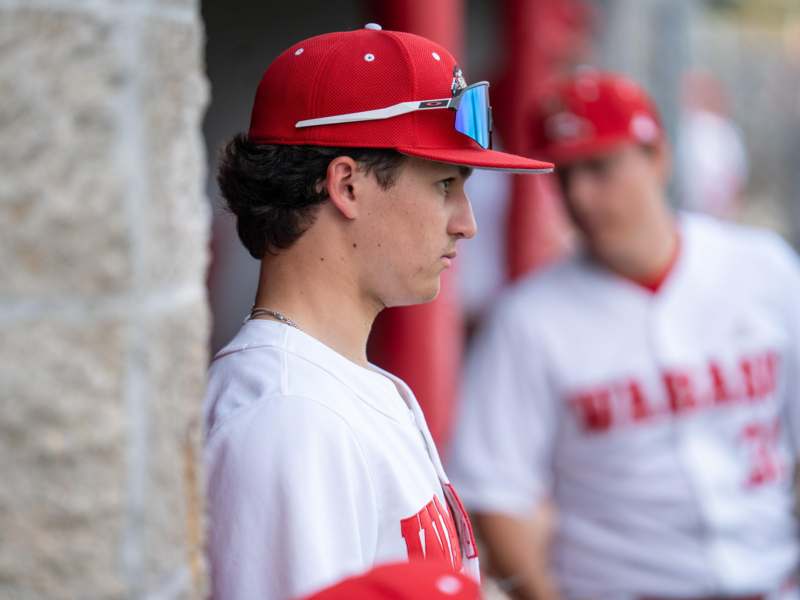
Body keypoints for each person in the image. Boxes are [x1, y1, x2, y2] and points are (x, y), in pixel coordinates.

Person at [203, 24, 553, 600]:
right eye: (444, 183)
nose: (467, 223)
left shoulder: (335, 385)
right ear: (347, 185)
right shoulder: (287, 420)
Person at [447, 71, 800, 600]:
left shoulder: (763, 269)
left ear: (657, 156)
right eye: (564, 175)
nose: (581, 196)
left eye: (599, 167)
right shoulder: (527, 318)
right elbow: (496, 491)